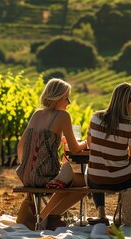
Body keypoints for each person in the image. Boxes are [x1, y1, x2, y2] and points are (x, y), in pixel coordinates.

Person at [15, 78, 88, 230]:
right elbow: (75, 149)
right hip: (45, 175)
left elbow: (20, 146)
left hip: (27, 175)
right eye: (66, 97)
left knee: (67, 180)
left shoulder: (36, 114)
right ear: (57, 98)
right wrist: (87, 143)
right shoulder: (63, 116)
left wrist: (29, 169)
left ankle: (49, 216)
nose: (69, 102)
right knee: (85, 183)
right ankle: (48, 216)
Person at [86, 83, 131, 225]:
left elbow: (90, 145)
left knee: (94, 169)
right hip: (122, 180)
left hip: (96, 181)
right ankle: (122, 212)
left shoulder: (95, 118)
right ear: (126, 103)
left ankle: (101, 214)